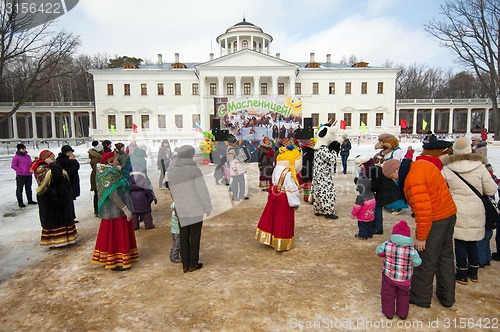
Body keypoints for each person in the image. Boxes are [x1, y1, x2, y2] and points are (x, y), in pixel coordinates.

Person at [396, 139, 457, 308]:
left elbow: (424, 211)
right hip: (448, 213)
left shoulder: (412, 179)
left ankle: (420, 297)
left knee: (426, 259)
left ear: (398, 171)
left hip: (437, 218)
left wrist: (421, 238)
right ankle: (447, 297)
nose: (394, 180)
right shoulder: (420, 166)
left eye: (393, 176)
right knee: (445, 256)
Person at [441, 137, 497, 284]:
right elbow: (491, 189)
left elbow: (441, 190)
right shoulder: (479, 167)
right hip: (476, 208)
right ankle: (474, 272)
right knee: (472, 241)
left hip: (456, 207)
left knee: (460, 241)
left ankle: (461, 273)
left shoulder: (447, 168)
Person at [167, 145, 212, 273]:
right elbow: (202, 190)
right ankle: (193, 263)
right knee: (195, 236)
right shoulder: (194, 170)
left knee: (183, 235)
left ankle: (185, 264)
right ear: (191, 155)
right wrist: (207, 207)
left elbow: (172, 190)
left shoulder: (173, 170)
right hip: (195, 208)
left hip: (180, 208)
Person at [92, 151, 138, 271]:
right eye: (116, 159)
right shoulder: (109, 174)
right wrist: (124, 208)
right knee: (116, 237)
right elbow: (113, 194)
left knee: (113, 236)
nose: (118, 161)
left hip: (116, 211)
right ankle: (117, 261)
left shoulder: (112, 171)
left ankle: (114, 257)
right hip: (115, 212)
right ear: (109, 162)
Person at [255, 143, 301, 251]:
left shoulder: (276, 169)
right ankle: (282, 242)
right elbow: (291, 190)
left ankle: (271, 239)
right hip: (284, 199)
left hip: (275, 197)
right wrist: (295, 203)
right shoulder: (288, 173)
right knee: (283, 220)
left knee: (274, 218)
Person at [31, 150, 78, 248]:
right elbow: (57, 176)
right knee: (55, 221)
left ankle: (67, 238)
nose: (54, 159)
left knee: (62, 219)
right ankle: (55, 241)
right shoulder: (42, 169)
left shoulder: (52, 167)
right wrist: (52, 164)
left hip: (59, 199)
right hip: (51, 200)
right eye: (51, 157)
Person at [376, 220, 422, 320]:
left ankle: (389, 313)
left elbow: (378, 252)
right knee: (404, 295)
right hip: (405, 278)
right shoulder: (412, 250)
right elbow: (417, 263)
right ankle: (403, 314)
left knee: (387, 294)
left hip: (388, 275)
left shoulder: (387, 245)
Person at [370, 154, 399, 235]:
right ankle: (377, 227)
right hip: (386, 191)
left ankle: (378, 228)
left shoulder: (375, 169)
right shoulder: (383, 169)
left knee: (377, 209)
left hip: (382, 193)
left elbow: (375, 184)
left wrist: (370, 188)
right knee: (378, 209)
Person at [56, 145, 80, 223]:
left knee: (70, 201)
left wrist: (73, 160)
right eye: (70, 152)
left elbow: (77, 167)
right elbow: (70, 170)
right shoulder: (61, 160)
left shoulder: (70, 159)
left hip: (72, 183)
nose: (71, 153)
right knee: (67, 202)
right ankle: (68, 218)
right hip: (66, 184)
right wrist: (72, 161)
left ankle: (71, 217)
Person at [11, 143, 37, 208]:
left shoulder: (27, 156)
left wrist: (33, 164)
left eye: (25, 148)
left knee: (28, 188)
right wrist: (20, 170)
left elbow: (30, 164)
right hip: (21, 175)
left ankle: (30, 200)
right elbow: (13, 166)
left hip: (28, 174)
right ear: (19, 149)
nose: (24, 149)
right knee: (20, 189)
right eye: (22, 148)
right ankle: (20, 202)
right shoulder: (16, 157)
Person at [227, 134, 248, 201]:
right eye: (233, 142)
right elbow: (231, 161)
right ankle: (235, 196)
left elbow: (242, 157)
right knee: (235, 183)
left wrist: (244, 158)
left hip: (241, 168)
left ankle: (241, 195)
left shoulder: (238, 148)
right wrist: (234, 168)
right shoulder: (230, 150)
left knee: (242, 182)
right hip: (235, 169)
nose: (235, 143)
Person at [88, 141, 103, 216]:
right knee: (97, 194)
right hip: (96, 177)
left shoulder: (96, 157)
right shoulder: (96, 159)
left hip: (96, 176)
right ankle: (97, 210)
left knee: (97, 194)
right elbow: (97, 168)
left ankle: (97, 210)